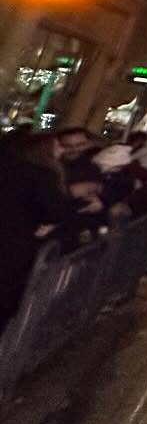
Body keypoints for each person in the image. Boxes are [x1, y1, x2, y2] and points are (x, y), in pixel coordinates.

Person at [0, 131, 73, 336]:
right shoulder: (41, 175)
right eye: (57, 145)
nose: (62, 150)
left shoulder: (9, 170)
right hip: (11, 250)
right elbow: (57, 210)